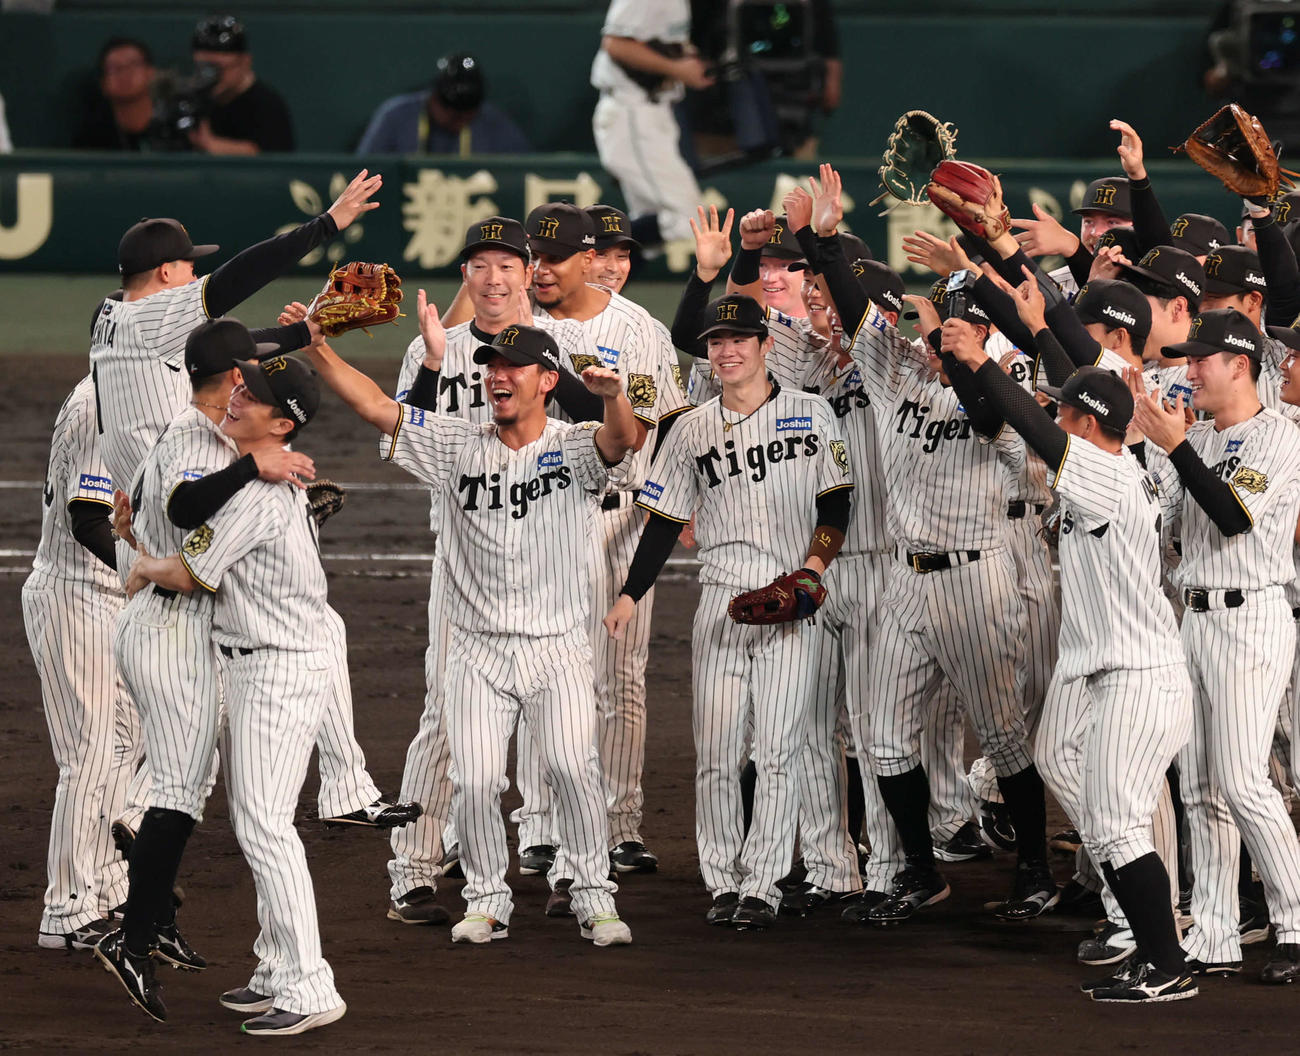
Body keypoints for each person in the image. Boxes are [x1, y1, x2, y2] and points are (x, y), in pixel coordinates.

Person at [301, 320, 640, 947]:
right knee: (478, 780)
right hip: (477, 651)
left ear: (546, 380)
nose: (496, 376)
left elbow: (621, 441)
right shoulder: (455, 442)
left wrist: (613, 394)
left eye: (512, 367)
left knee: (572, 767)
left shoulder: (573, 447)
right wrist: (318, 347)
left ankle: (594, 894)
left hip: (556, 648)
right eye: (490, 367)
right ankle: (487, 897)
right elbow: (376, 406)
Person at [372, 215, 606, 925]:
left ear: (527, 272)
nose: (495, 278)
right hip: (464, 557)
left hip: (553, 549)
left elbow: (603, 433)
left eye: (508, 265)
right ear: (466, 275)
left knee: (560, 729)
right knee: (446, 719)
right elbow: (404, 442)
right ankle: (414, 866)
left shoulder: (555, 348)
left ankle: (563, 860)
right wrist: (439, 366)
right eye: (481, 266)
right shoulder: (428, 350)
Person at [117, 355, 352, 1035]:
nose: (238, 393)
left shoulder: (260, 491)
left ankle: (310, 987)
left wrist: (138, 566)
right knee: (260, 824)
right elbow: (187, 532)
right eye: (241, 383)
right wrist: (141, 541)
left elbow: (188, 574)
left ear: (282, 424)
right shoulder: (252, 480)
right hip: (261, 661)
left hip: (279, 667)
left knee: (267, 828)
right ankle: (277, 970)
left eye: (256, 395)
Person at [605, 292, 852, 931]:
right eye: (716, 342)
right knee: (715, 753)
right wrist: (631, 593)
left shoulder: (813, 414)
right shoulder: (689, 429)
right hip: (719, 601)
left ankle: (764, 883)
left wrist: (810, 575)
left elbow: (836, 508)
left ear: (766, 346)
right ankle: (722, 879)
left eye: (739, 340)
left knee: (777, 750)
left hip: (792, 603)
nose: (727, 350)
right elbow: (661, 520)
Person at [1132, 309, 1300, 987]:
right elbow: (1162, 524)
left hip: (1252, 616)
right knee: (1200, 786)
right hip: (1194, 619)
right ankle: (1217, 930)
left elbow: (1232, 518)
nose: (1189, 368)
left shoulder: (1280, 439)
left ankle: (1294, 920)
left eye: (1202, 359)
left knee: (1241, 778)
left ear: (1240, 364)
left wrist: (1175, 449)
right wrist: (1151, 450)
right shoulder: (1196, 436)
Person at [25, 371, 138, 953]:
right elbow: (88, 517)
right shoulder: (104, 400)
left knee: (127, 744)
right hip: (76, 597)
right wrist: (142, 569)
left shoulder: (134, 383)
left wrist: (307, 332)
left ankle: (107, 884)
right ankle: (66, 909)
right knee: (90, 754)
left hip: (112, 598)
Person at [591, 0, 710, 248]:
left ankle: (597, 276)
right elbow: (616, 44)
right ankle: (584, 257)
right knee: (686, 218)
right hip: (632, 110)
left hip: (654, 110)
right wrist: (677, 68)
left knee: (648, 227)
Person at [356, 52, 531, 156]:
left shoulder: (493, 122)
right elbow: (363, 171)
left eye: (468, 112)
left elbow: (523, 171)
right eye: (453, 112)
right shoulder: (396, 115)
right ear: (433, 98)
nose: (460, 119)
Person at [188, 15, 294, 154]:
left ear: (245, 63)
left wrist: (212, 145)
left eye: (219, 68)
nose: (211, 77)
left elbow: (271, 159)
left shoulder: (267, 105)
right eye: (204, 68)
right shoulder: (192, 101)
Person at [73, 38, 156, 151]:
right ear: (103, 84)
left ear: (151, 73)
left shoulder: (175, 128)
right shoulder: (93, 138)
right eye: (114, 69)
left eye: (134, 64)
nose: (125, 74)